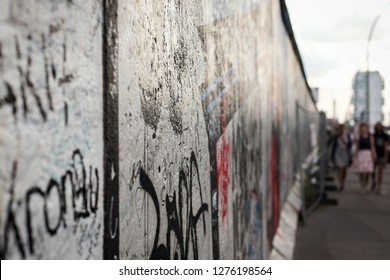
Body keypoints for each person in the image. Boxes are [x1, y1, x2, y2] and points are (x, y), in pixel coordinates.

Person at [353, 123, 377, 194]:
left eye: (365, 127)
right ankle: (362, 186)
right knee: (362, 172)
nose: (364, 129)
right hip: (361, 154)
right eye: (363, 127)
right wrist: (354, 154)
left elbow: (372, 146)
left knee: (367, 172)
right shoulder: (359, 137)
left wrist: (374, 154)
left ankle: (366, 185)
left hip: (368, 154)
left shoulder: (370, 137)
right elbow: (357, 147)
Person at [331, 124, 352, 191]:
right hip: (338, 153)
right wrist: (332, 156)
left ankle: (343, 181)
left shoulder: (347, 136)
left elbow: (350, 145)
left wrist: (347, 147)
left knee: (344, 169)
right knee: (340, 168)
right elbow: (334, 146)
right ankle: (340, 184)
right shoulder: (336, 136)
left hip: (345, 154)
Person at [372, 122, 388, 194]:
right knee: (373, 171)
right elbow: (372, 145)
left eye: (380, 126)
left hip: (382, 155)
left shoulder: (385, 136)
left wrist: (386, 156)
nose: (379, 128)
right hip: (374, 155)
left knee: (380, 172)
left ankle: (379, 186)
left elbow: (386, 146)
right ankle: (373, 182)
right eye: (377, 126)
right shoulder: (373, 135)